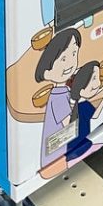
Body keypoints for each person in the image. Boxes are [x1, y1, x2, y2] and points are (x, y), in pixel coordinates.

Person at [35, 29, 81, 171]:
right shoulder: (58, 98)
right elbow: (69, 124)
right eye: (63, 59)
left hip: (57, 149)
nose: (70, 63)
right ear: (46, 72)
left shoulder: (60, 91)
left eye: (74, 54)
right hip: (57, 154)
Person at [66, 62, 103, 165]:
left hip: (72, 146)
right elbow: (95, 117)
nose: (98, 83)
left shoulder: (78, 104)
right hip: (82, 146)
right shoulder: (84, 106)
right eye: (94, 78)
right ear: (81, 90)